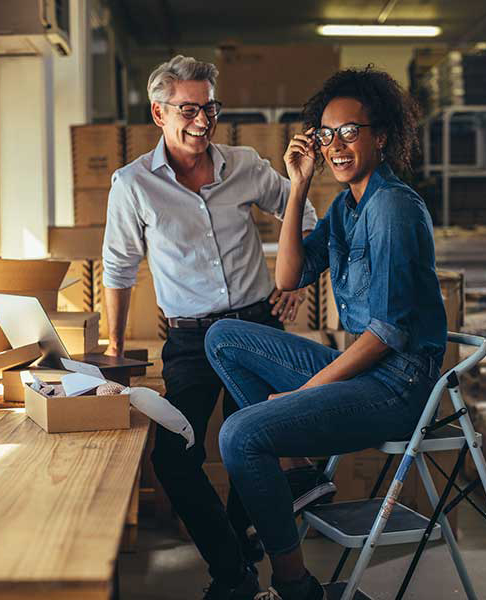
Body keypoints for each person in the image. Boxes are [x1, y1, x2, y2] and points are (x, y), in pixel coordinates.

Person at [205, 66, 447, 600]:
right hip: (365, 370)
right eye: (326, 133)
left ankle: (294, 587)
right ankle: (299, 474)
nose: (336, 145)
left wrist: (308, 392)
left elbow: (385, 335)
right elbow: (288, 277)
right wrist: (297, 187)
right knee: (224, 335)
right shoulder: (347, 205)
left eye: (350, 131)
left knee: (241, 435)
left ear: (380, 136)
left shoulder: (393, 209)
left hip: (398, 386)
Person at [101, 55, 319, 599]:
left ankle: (237, 557)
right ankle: (234, 564)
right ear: (159, 112)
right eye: (189, 109)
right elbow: (119, 267)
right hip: (191, 339)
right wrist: (113, 347)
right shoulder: (132, 185)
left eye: (210, 108)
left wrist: (293, 284)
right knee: (175, 457)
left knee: (253, 442)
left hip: (255, 326)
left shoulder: (244, 164)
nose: (203, 121)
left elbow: (306, 216)